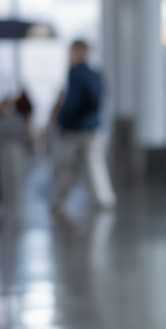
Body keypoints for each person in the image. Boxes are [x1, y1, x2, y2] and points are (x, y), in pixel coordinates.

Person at [52, 40, 117, 211]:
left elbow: (72, 102)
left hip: (74, 128)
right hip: (94, 126)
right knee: (96, 163)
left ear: (77, 52)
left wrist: (61, 119)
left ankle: (59, 200)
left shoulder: (76, 73)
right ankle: (105, 199)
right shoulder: (95, 72)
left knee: (67, 166)